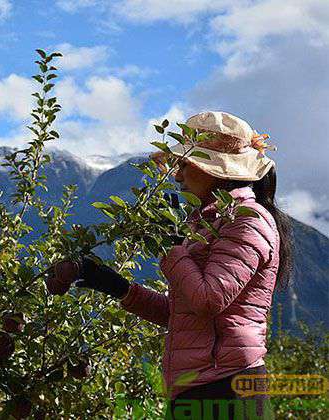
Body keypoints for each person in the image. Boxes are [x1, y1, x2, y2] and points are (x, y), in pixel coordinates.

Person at [72, 111, 292, 419]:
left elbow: (208, 300)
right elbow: (187, 316)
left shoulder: (246, 222)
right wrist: (118, 287)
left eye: (185, 165)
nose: (177, 176)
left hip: (226, 390)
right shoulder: (209, 223)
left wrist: (172, 249)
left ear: (214, 170)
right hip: (203, 386)